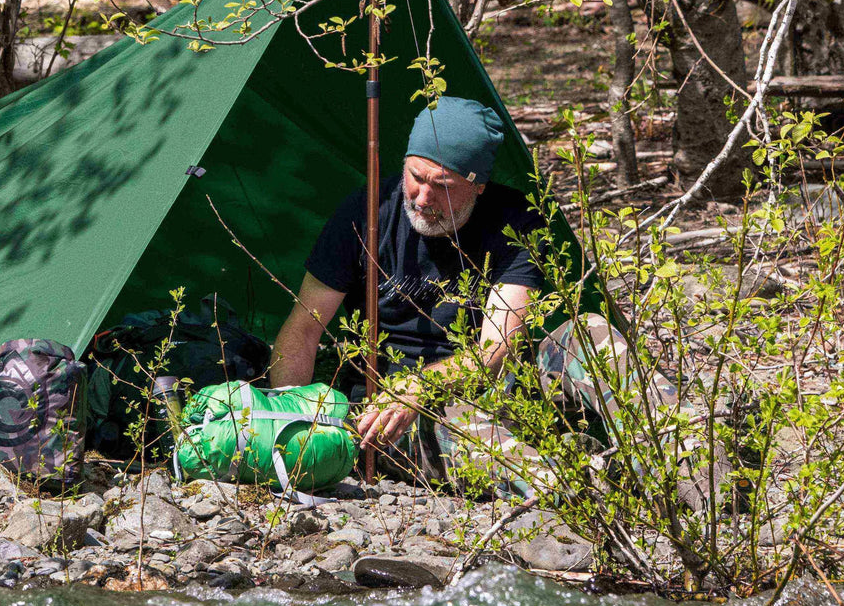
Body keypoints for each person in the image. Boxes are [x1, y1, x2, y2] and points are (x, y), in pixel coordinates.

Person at [268, 96, 709, 498]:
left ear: (478, 186)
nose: (422, 198)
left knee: (589, 331)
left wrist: (422, 384)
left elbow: (498, 347)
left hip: (495, 388)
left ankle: (692, 469)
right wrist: (291, 422)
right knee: (468, 428)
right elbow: (303, 330)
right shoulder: (366, 213)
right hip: (397, 414)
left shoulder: (515, 223)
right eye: (415, 178)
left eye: (442, 185)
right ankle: (575, 497)